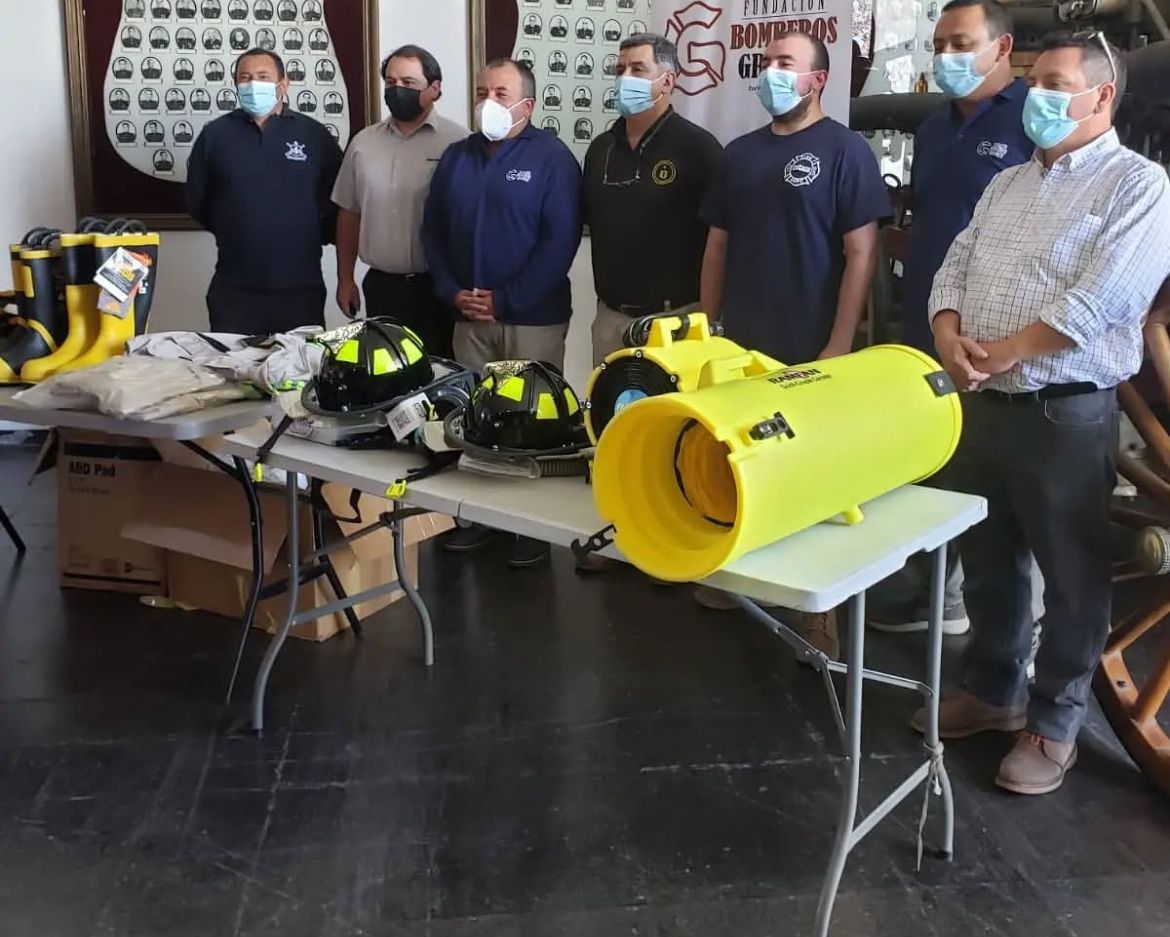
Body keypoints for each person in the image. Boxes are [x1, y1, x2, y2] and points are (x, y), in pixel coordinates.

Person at [916, 32, 1170, 794]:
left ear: (1102, 96)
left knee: (1072, 579)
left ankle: (1054, 724)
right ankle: (993, 691)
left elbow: (1108, 298)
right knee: (990, 562)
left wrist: (1007, 351)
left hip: (1064, 411)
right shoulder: (1009, 184)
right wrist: (948, 333)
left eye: (1056, 84)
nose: (1038, 97)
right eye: (1033, 83)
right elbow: (954, 265)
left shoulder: (1139, 186)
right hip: (984, 401)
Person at [694, 32, 890, 657]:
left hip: (810, 343)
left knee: (817, 476)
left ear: (817, 80)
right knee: (739, 461)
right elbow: (717, 245)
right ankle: (736, 575)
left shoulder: (846, 151)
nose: (772, 72)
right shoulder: (740, 153)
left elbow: (861, 253)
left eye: (786, 63)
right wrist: (707, 327)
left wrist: (840, 342)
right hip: (739, 343)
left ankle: (818, 611)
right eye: (768, 62)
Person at [867, 0, 1034, 637]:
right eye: (939, 45)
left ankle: (1012, 628)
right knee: (933, 459)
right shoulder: (935, 125)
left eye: (961, 44)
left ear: (1001, 47)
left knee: (1000, 481)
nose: (946, 58)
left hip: (997, 335)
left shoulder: (1032, 119)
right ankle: (933, 594)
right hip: (927, 322)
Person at [422, 57, 582, 568]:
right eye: (481, 92)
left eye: (501, 93)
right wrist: (452, 292)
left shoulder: (553, 159)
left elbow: (559, 241)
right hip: (468, 318)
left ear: (526, 106)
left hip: (531, 319)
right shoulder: (456, 157)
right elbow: (432, 232)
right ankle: (478, 520)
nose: (487, 101)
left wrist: (506, 299)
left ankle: (531, 529)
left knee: (531, 422)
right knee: (475, 419)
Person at [582, 33, 722, 366]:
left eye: (638, 69)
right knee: (607, 401)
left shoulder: (699, 148)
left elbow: (720, 241)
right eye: (620, 70)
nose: (625, 78)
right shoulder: (601, 148)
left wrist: (710, 317)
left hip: (674, 321)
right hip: (610, 321)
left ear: (667, 81)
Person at [186, 47, 342, 334]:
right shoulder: (215, 135)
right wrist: (237, 225)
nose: (253, 84)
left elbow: (337, 201)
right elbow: (198, 201)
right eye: (245, 78)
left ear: (283, 84)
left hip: (300, 288)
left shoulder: (314, 135)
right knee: (231, 363)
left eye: (262, 76)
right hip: (234, 289)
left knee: (300, 362)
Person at [332, 44, 465, 357]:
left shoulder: (459, 142)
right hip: (382, 288)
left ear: (434, 89)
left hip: (439, 288)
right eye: (391, 82)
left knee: (441, 374)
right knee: (386, 373)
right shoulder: (363, 143)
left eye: (408, 82)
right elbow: (349, 212)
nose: (397, 90)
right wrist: (345, 278)